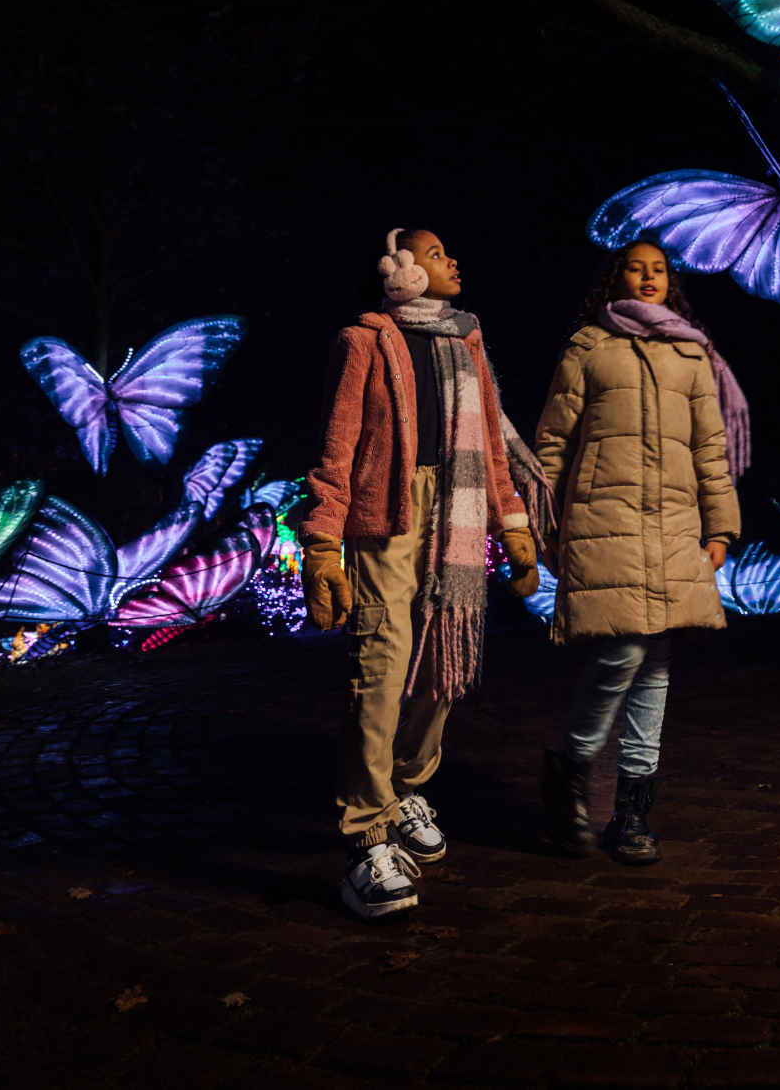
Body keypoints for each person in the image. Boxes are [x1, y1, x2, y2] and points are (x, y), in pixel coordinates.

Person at [300, 228, 550, 920]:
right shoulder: (365, 341)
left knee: (444, 661)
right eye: (438, 254)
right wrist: (322, 543)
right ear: (403, 269)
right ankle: (366, 836)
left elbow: (493, 448)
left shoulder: (466, 341)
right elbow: (337, 447)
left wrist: (514, 524)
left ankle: (408, 784)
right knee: (382, 663)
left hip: (457, 513)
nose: (454, 262)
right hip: (388, 509)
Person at [532, 240, 746, 864]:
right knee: (623, 652)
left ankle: (631, 815)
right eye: (636, 267)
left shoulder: (690, 353)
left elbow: (711, 449)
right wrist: (543, 527)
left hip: (675, 526)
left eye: (659, 270)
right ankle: (570, 771)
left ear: (669, 282)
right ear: (615, 278)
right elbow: (552, 443)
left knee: (655, 666)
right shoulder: (589, 347)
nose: (649, 277)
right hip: (606, 521)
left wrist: (720, 531)